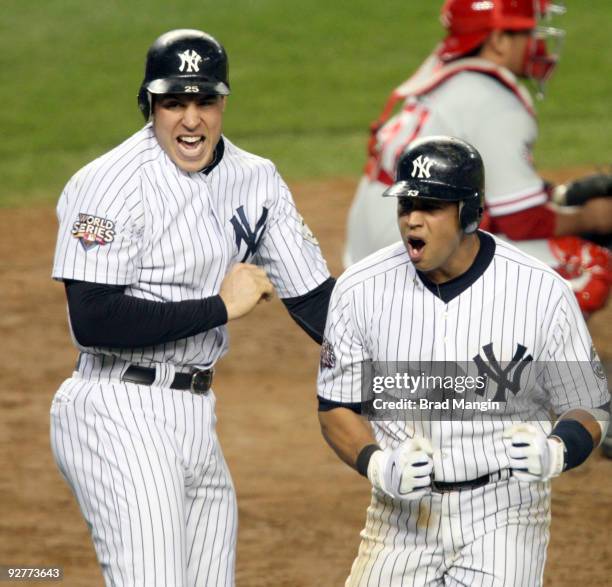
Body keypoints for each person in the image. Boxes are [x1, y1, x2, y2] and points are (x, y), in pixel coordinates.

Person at [50, 29, 334, 586]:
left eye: (205, 100)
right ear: (149, 105)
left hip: (196, 415)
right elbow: (94, 318)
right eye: (173, 102)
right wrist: (219, 307)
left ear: (223, 102)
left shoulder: (256, 179)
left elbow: (316, 302)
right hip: (117, 410)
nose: (191, 119)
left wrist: (403, 371)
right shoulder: (108, 185)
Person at [318, 136, 609, 586]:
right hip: (401, 517)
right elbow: (334, 407)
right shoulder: (359, 289)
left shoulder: (540, 291)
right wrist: (378, 465)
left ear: (469, 213)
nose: (412, 220)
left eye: (431, 207)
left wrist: (556, 452)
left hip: (506, 511)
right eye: (406, 206)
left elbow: (589, 407)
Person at [343, 0, 611, 319]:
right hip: (415, 257)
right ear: (498, 40)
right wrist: (591, 218)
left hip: (369, 250)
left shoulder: (445, 76)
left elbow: (478, 185)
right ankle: (504, 361)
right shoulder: (494, 101)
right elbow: (522, 221)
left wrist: (557, 197)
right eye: (527, 34)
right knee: (586, 267)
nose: (536, 44)